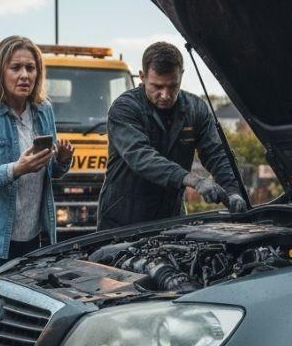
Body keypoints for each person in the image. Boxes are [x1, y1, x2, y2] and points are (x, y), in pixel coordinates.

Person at [0, 35, 74, 309]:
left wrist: (62, 160)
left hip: (31, 239)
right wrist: (16, 169)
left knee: (24, 320)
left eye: (30, 68)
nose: (24, 75)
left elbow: (48, 171)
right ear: (0, 71)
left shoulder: (43, 110)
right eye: (15, 67)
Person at [97, 41, 247, 231]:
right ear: (142, 77)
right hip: (123, 219)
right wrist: (194, 180)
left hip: (172, 218)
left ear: (181, 76)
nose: (165, 94)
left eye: (172, 86)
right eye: (157, 86)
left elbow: (217, 153)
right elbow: (141, 156)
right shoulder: (124, 109)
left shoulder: (196, 109)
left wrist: (233, 192)